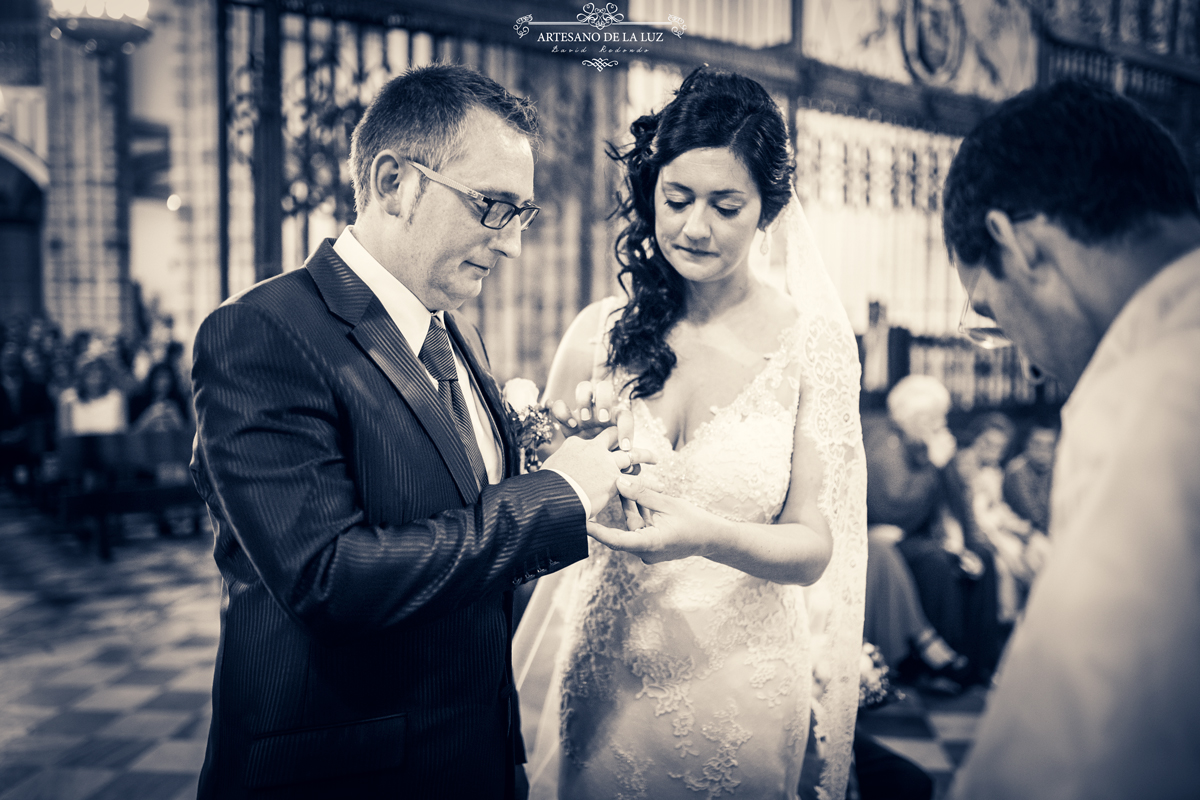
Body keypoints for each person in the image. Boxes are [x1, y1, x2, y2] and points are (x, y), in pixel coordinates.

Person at [189, 64, 653, 800]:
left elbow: (464, 541)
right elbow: (327, 579)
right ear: (392, 181)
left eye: (523, 215)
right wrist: (554, 496)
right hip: (345, 769)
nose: (510, 245)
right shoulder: (263, 332)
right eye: (492, 207)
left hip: (471, 753)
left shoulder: (456, 331)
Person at [513, 68, 867, 799]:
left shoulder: (812, 347)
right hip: (608, 660)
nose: (694, 226)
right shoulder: (597, 333)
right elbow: (544, 497)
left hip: (741, 674)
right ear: (650, 195)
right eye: (675, 200)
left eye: (725, 205)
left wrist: (706, 533)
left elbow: (812, 547)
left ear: (767, 210)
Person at [943, 78, 1200, 799]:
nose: (1026, 359)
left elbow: (1072, 745)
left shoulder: (1145, 395)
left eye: (994, 313)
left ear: (1018, 244)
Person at [864, 375, 1001, 686]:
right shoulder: (885, 442)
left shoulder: (923, 443)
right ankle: (941, 666)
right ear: (911, 418)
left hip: (919, 535)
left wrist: (968, 543)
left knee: (984, 556)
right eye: (931, 418)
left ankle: (982, 662)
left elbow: (956, 499)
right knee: (935, 562)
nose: (939, 425)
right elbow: (894, 508)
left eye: (939, 417)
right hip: (889, 538)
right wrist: (934, 465)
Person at [1002, 421, 1056, 533]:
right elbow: (1034, 515)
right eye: (1037, 444)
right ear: (1027, 443)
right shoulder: (1017, 471)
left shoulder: (1056, 469)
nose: (1043, 450)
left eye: (1049, 445)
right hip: (1024, 533)